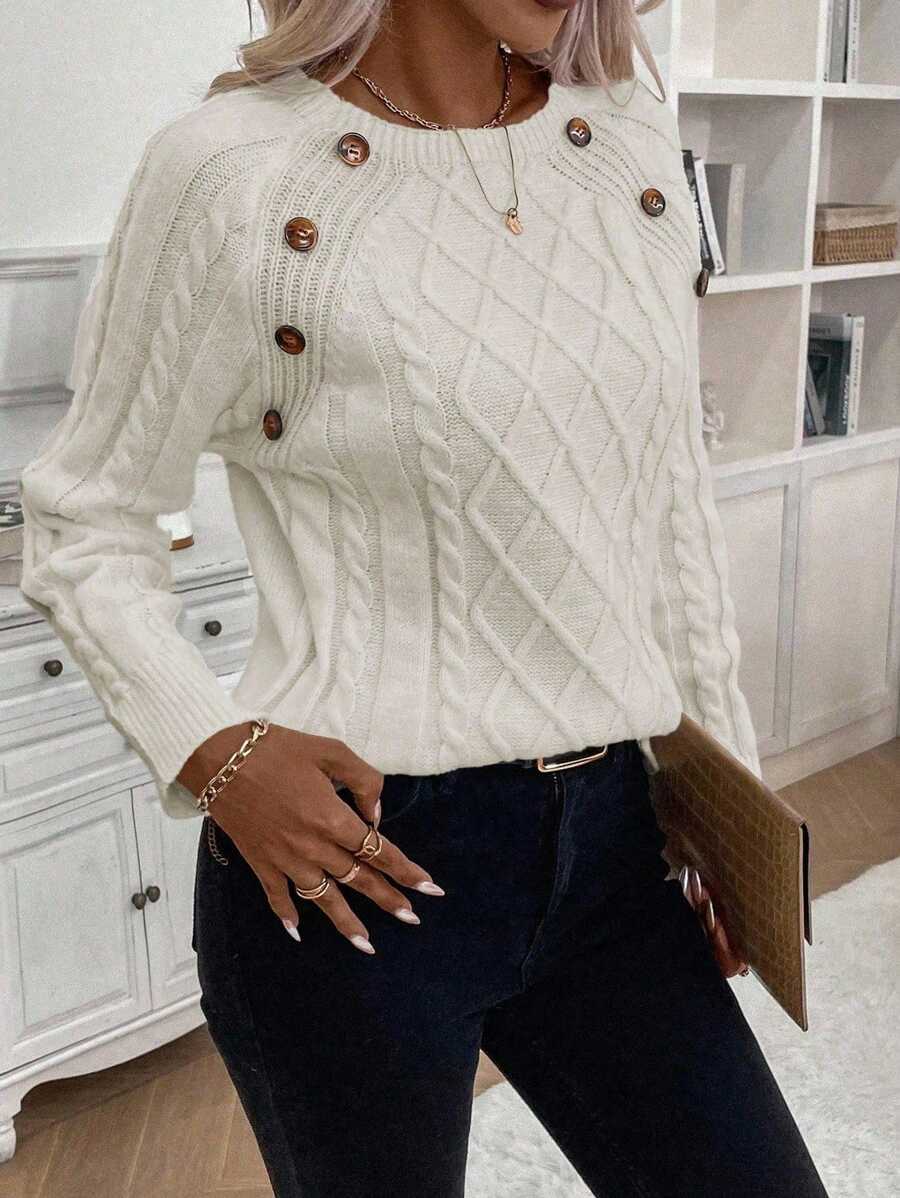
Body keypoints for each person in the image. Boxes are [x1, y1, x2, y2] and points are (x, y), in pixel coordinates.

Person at [18, 1, 830, 1194]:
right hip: (356, 863)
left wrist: (725, 799)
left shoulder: (627, 145)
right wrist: (217, 750)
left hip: (617, 844)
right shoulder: (234, 173)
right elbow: (83, 517)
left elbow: (668, 512)